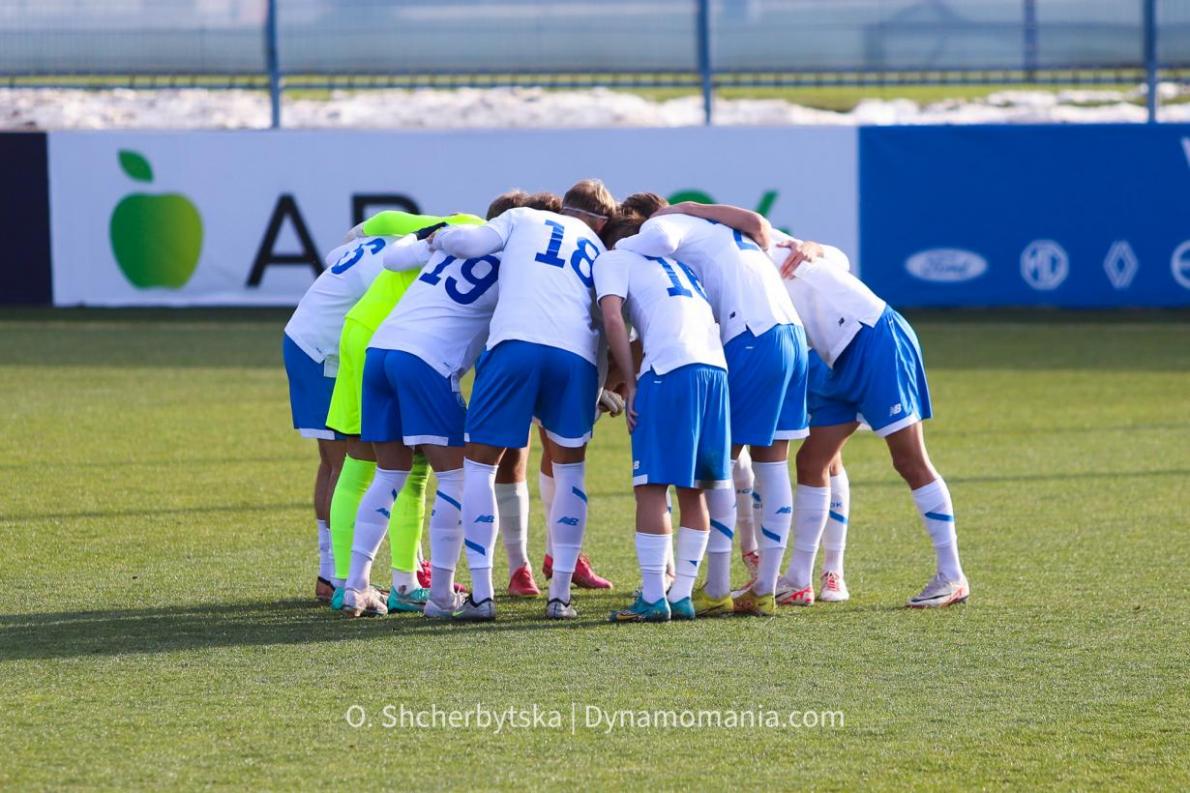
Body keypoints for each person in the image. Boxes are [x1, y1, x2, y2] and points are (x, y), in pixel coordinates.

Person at [715, 219, 970, 608]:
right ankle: (798, 580)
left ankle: (952, 576)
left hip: (874, 339)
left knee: (909, 460)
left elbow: (834, 257)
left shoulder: (761, 247)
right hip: (835, 359)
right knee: (812, 462)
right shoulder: (740, 263)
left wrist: (815, 247)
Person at [430, 179, 617, 620]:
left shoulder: (522, 217)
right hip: (575, 358)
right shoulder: (601, 250)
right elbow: (607, 326)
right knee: (570, 472)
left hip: (515, 344)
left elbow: (471, 243)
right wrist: (597, 390)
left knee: (480, 468)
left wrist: (437, 236)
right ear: (600, 222)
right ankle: (561, 598)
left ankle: (482, 595)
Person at [615, 196, 808, 618]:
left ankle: (717, 587)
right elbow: (760, 223)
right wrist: (693, 208)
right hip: (792, 335)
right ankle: (765, 589)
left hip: (750, 336)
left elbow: (660, 239)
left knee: (717, 467)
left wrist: (626, 243)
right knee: (773, 464)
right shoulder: (720, 227)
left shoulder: (666, 226)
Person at [340, 207, 506, 617]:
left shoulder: (453, 240)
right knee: (457, 478)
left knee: (389, 474)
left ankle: (355, 586)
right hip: (427, 361)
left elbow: (394, 257)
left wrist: (429, 234)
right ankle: (442, 594)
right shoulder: (518, 263)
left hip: (380, 351)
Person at [596, 214, 731, 622]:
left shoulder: (614, 257)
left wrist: (630, 381)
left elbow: (613, 318)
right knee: (694, 488)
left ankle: (654, 596)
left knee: (651, 485)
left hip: (669, 371)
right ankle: (683, 594)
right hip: (715, 372)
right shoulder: (679, 266)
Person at [282, 228, 403, 603]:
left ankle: (329, 572)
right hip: (324, 352)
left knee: (332, 462)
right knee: (344, 463)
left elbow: (334, 258)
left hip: (306, 340)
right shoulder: (400, 259)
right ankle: (340, 577)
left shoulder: (380, 243)